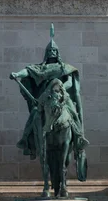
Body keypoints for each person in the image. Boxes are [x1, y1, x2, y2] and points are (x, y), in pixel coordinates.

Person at [9, 24, 89, 168]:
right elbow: (27, 71)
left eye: (54, 50)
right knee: (34, 114)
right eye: (50, 50)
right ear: (46, 53)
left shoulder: (64, 67)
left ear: (58, 53)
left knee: (73, 113)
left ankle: (79, 136)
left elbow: (70, 82)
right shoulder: (41, 68)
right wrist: (17, 74)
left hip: (62, 97)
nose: (52, 52)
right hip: (45, 98)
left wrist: (60, 89)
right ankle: (25, 140)